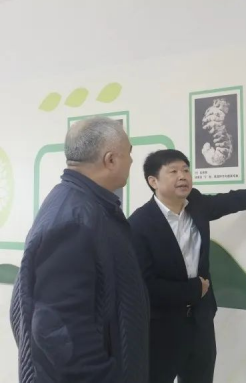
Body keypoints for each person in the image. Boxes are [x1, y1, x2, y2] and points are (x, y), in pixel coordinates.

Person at [128, 149, 246, 383]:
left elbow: (234, 200)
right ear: (153, 181)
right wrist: (194, 290)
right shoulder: (139, 225)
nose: (182, 176)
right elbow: (144, 286)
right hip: (163, 328)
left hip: (200, 321)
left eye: (185, 170)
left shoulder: (196, 204)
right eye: (173, 171)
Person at [10, 117, 149, 383]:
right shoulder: (73, 219)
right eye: (129, 153)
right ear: (111, 160)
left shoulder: (87, 205)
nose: (132, 161)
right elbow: (57, 329)